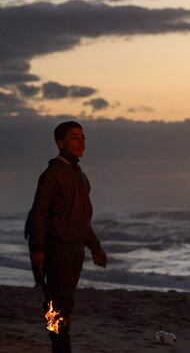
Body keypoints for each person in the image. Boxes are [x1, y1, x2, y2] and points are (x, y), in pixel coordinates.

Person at [26, 121, 107, 353]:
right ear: (60, 143)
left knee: (62, 303)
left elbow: (83, 219)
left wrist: (95, 247)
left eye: (83, 137)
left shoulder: (81, 177)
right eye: (74, 137)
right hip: (57, 249)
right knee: (58, 304)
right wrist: (38, 248)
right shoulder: (52, 175)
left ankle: (59, 345)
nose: (81, 141)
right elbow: (39, 212)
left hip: (75, 251)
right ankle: (60, 347)